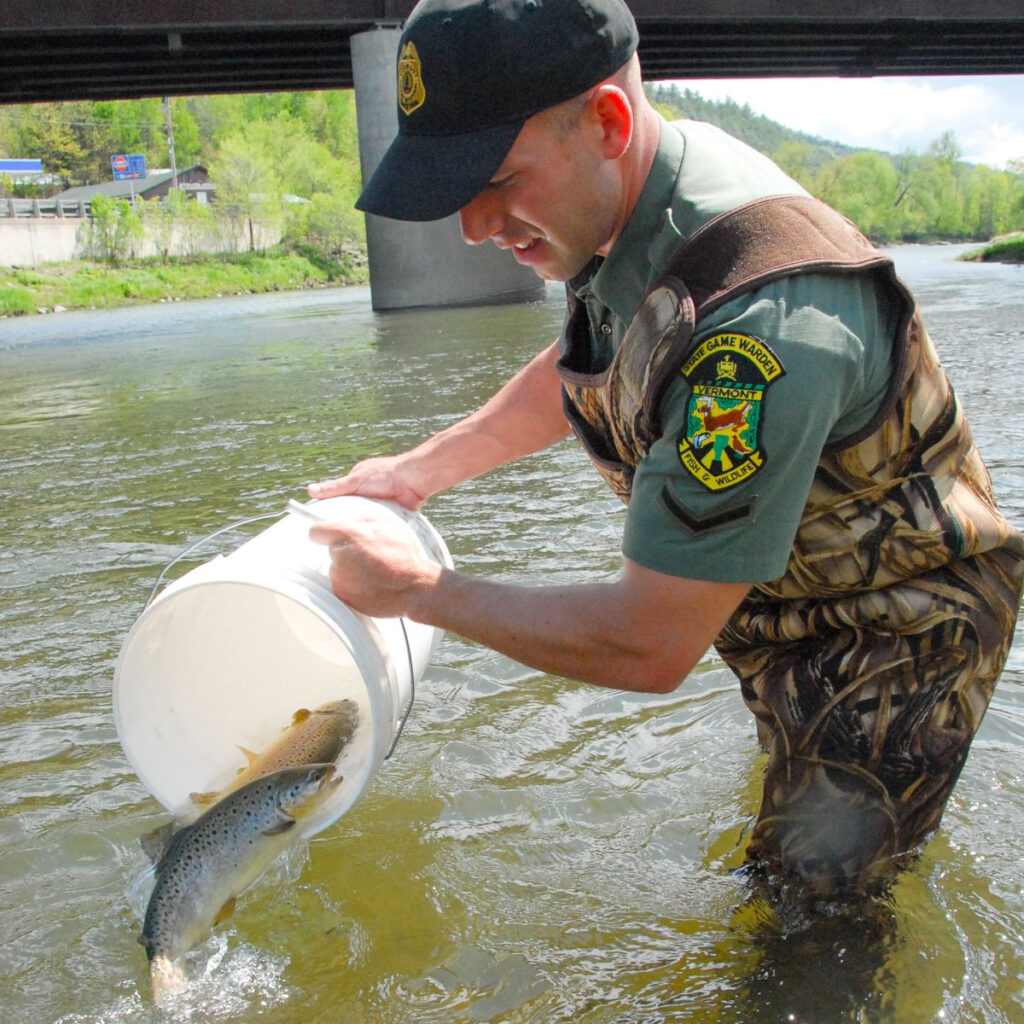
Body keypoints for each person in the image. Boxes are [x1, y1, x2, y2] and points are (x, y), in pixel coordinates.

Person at [307, 0, 1024, 896]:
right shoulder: (633, 197)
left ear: (607, 121)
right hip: (781, 595)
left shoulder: (760, 336)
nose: (474, 227)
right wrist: (420, 471)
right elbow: (596, 356)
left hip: (894, 631)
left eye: (494, 178)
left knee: (806, 923)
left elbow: (649, 644)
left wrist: (420, 593)